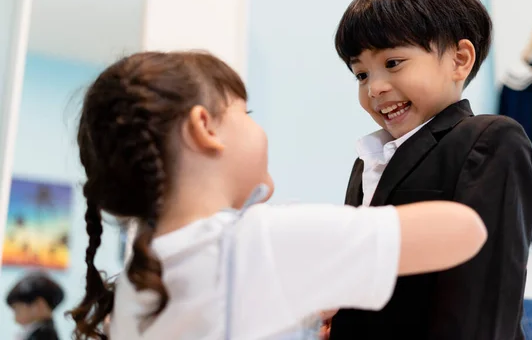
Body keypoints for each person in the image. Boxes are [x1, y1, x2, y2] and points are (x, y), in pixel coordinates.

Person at [66, 51, 487, 340]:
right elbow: (466, 229)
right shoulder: (255, 240)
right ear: (204, 128)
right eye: (244, 114)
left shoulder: (134, 285)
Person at [327, 0, 532, 340]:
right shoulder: (366, 164)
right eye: (361, 74)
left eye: (392, 63)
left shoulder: (489, 140)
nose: (375, 88)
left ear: (459, 59)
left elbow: (485, 293)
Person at [6, 271, 64, 340]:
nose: (15, 319)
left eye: (17, 310)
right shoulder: (37, 332)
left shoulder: (44, 335)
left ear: (39, 305)